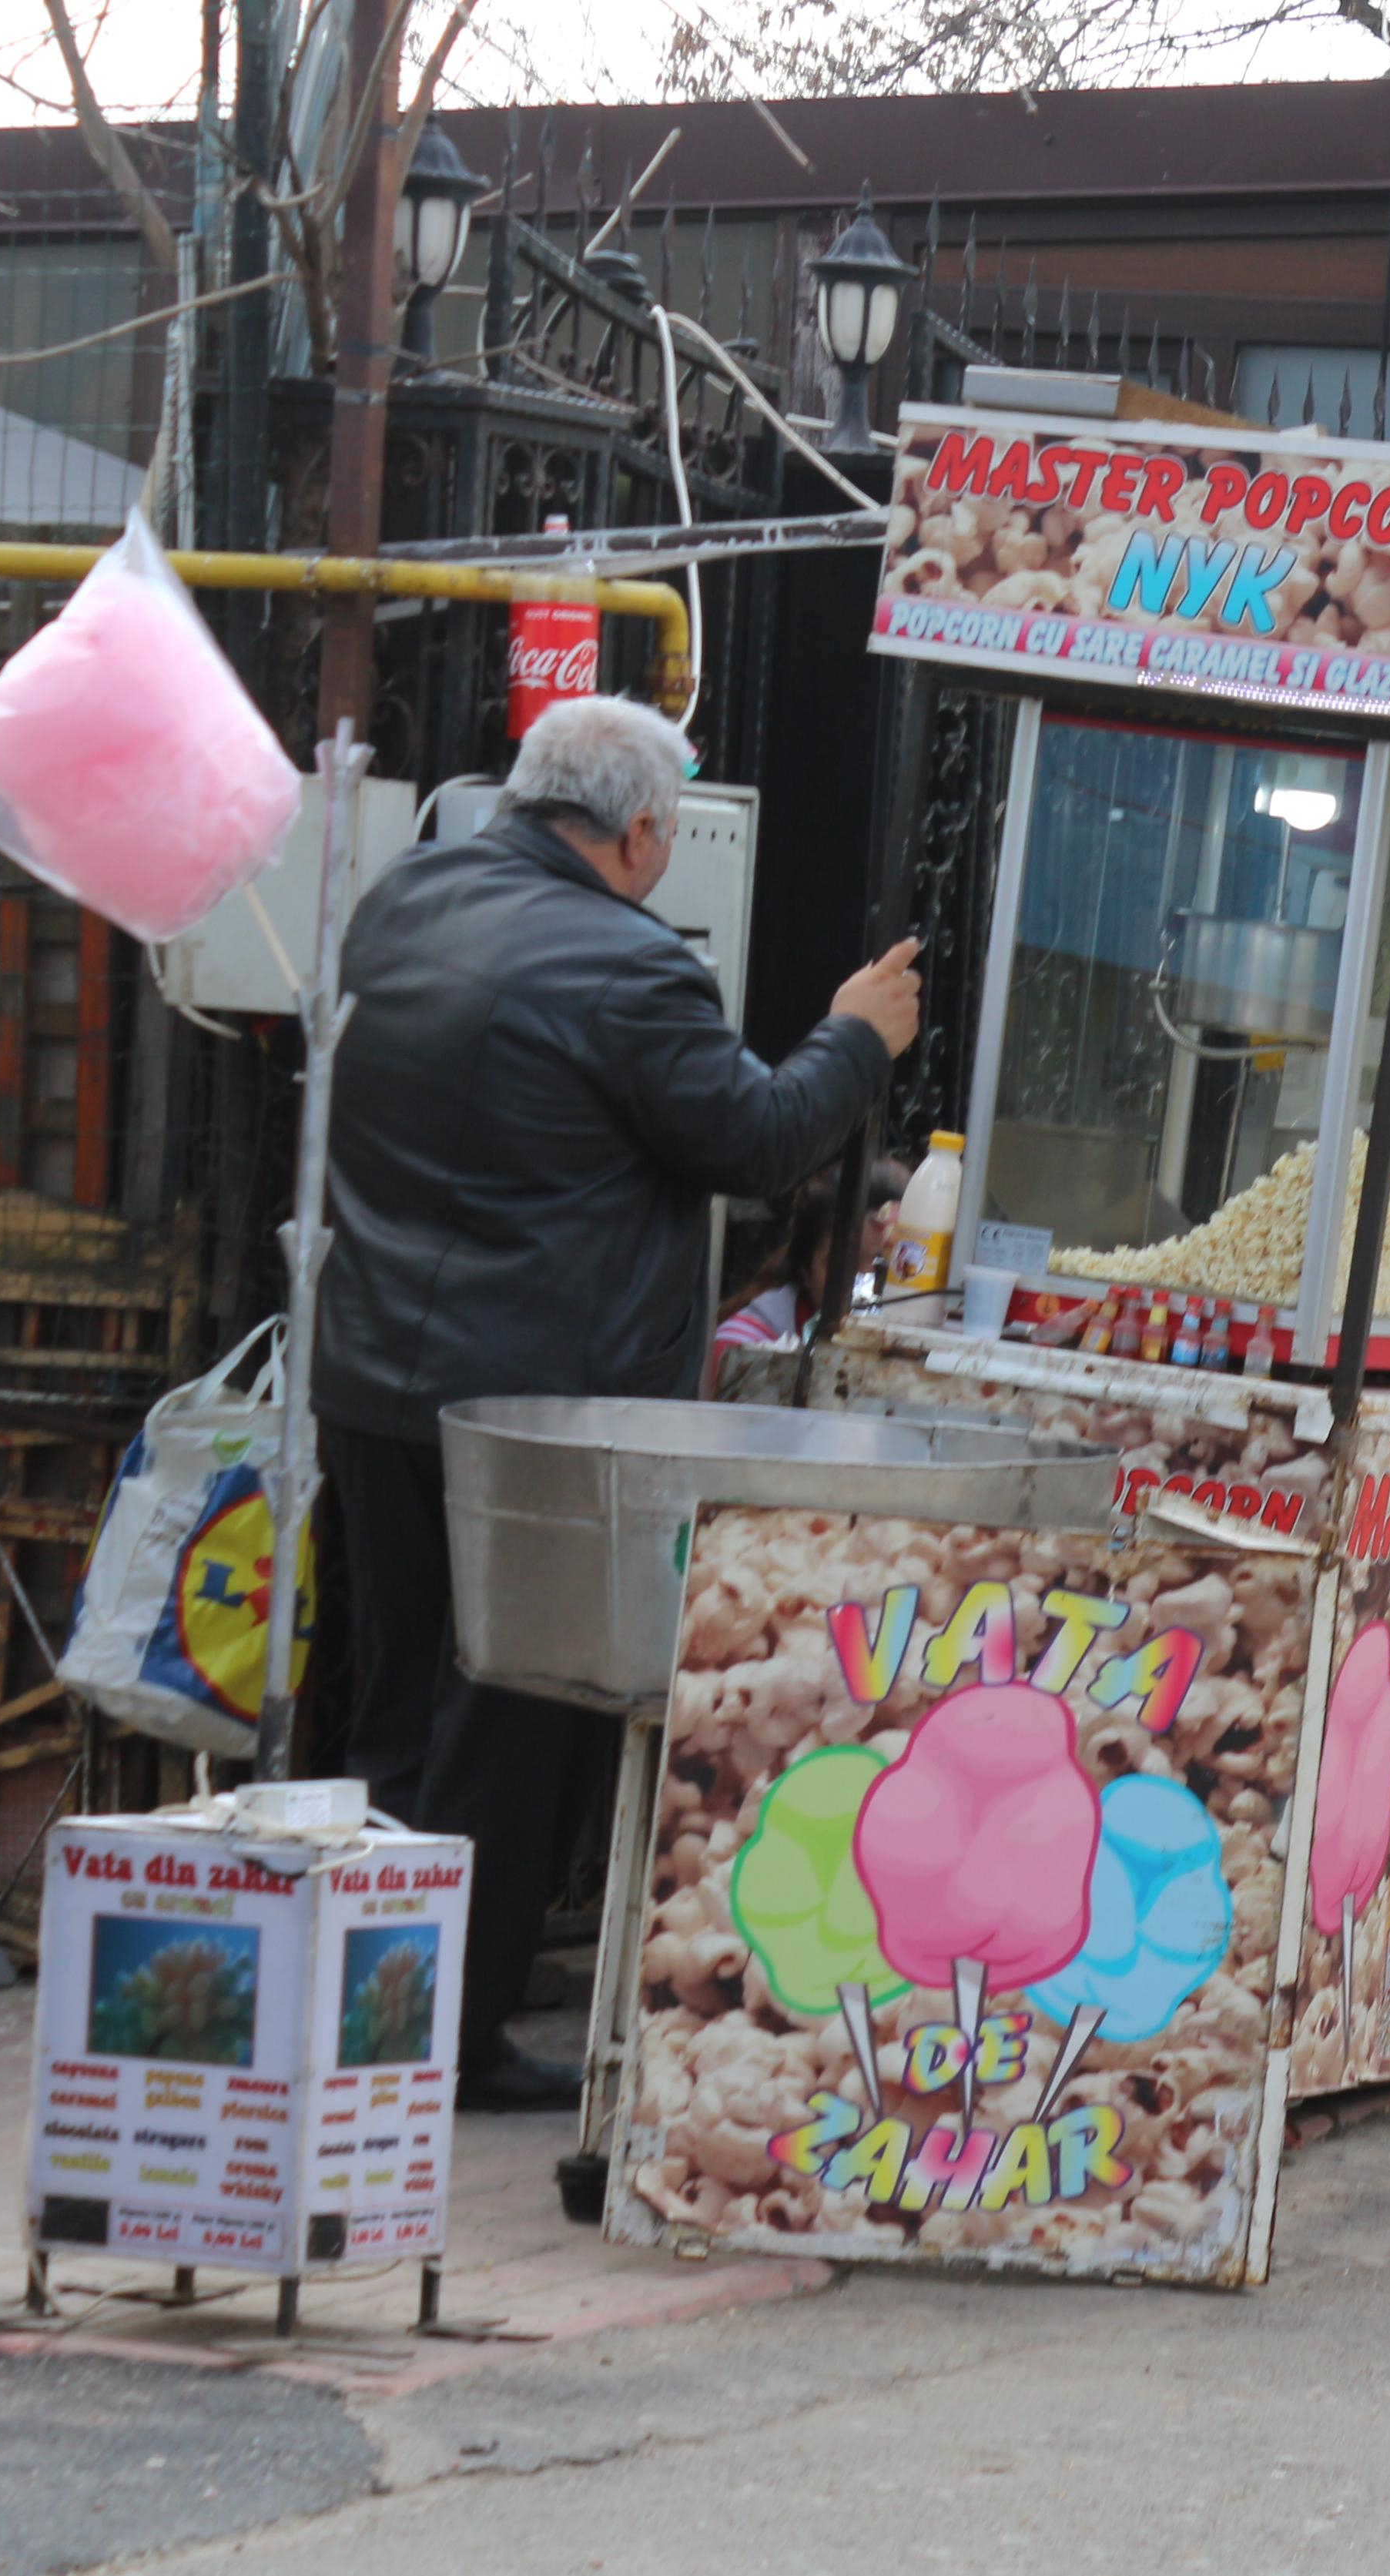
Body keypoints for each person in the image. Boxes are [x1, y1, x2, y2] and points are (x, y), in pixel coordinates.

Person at [315, 696, 922, 2112]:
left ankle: (360, 2005)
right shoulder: (627, 968)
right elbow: (756, 1134)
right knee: (507, 1723)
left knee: (395, 1704)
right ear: (643, 832)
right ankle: (440, 2039)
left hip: (378, 1382)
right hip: (532, 1412)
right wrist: (854, 1038)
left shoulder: (400, 906)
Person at [710, 1157, 908, 1364]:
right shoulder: (742, 1353)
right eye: (843, 1267)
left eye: (889, 1269)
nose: (865, 1285)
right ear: (806, 1272)